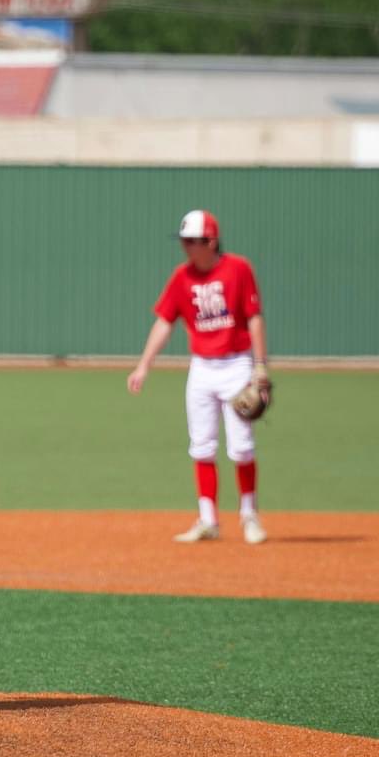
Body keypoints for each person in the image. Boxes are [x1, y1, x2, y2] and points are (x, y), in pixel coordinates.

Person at [127, 209, 270, 545]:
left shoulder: (238, 269)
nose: (186, 246)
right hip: (202, 368)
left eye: (193, 241)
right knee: (202, 445)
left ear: (211, 241)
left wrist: (260, 366)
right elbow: (165, 321)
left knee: (241, 447)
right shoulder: (182, 277)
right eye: (184, 241)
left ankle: (249, 514)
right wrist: (144, 365)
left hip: (236, 364)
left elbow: (254, 317)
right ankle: (208, 519)